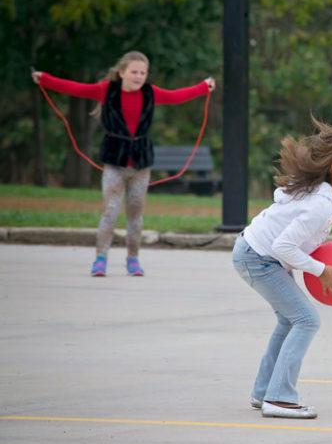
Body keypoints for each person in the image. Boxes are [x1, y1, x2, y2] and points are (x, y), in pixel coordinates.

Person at [32, 51, 215, 277]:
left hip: (140, 165)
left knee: (135, 213)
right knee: (109, 211)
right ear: (122, 72)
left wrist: (203, 87)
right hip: (114, 163)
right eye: (134, 72)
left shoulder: (150, 93)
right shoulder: (106, 90)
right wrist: (45, 79)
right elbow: (75, 88)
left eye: (143, 73)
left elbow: (176, 96)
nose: (138, 77)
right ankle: (100, 259)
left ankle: (133, 259)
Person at [232, 117, 332, 419]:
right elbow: (283, 246)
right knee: (306, 320)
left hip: (259, 254)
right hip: (258, 257)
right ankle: (279, 398)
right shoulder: (321, 203)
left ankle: (264, 391)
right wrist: (321, 270)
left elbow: (295, 242)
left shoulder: (326, 199)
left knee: (289, 321)